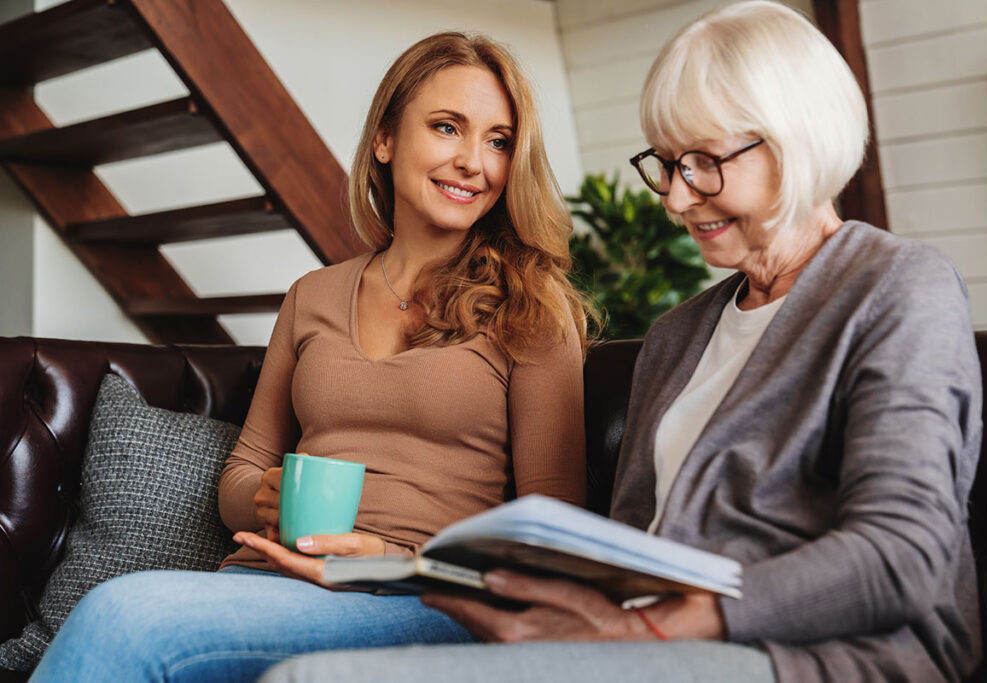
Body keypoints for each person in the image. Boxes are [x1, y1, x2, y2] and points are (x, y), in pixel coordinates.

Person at [257, 2, 983, 682]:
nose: (674, 196)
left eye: (703, 161)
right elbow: (632, 539)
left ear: (796, 138)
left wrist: (655, 629)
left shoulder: (898, 289)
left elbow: (902, 557)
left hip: (816, 657)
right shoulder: (678, 336)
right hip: (650, 644)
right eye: (666, 165)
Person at [29, 31, 589, 683]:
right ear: (384, 139)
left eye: (499, 140)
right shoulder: (313, 294)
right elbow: (243, 472)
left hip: (428, 599)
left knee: (125, 616)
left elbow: (555, 536)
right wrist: (266, 499)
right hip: (274, 579)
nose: (474, 161)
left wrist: (384, 556)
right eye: (446, 127)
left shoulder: (533, 303)